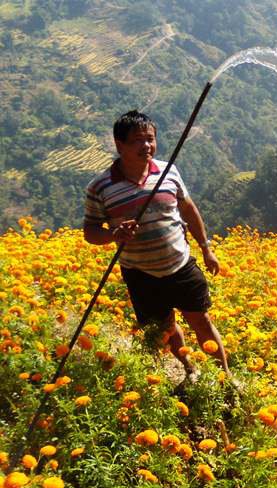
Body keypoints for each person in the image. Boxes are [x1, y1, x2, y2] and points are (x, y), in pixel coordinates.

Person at [83, 110, 230, 383]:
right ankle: (189, 369)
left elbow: (188, 208)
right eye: (138, 141)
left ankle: (225, 377)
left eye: (150, 139)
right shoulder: (100, 186)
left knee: (201, 320)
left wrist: (206, 248)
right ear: (119, 144)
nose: (146, 146)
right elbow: (90, 231)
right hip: (140, 274)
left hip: (180, 263)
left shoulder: (168, 171)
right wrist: (114, 234)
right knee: (166, 329)